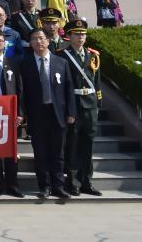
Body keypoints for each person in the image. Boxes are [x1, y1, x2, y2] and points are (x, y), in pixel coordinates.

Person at [20, 28, 76, 198]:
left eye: (41, 38)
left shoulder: (61, 62)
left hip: (57, 113)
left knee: (58, 153)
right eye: (34, 39)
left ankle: (58, 186)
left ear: (48, 41)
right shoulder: (24, 64)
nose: (38, 41)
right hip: (37, 113)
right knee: (40, 152)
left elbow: (69, 88)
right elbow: (22, 92)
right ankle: (44, 186)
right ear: (30, 43)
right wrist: (23, 113)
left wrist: (71, 112)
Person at [60, 19, 103, 196]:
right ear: (69, 36)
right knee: (73, 144)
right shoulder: (63, 55)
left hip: (90, 104)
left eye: (83, 34)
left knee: (88, 144)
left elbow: (97, 81)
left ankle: (87, 181)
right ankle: (73, 182)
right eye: (77, 34)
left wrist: (98, 102)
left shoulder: (93, 55)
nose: (81, 37)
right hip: (74, 103)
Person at [0, 29, 24, 198]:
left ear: (5, 44)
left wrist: (20, 112)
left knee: (11, 150)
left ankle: (13, 185)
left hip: (10, 112)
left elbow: (20, 89)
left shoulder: (13, 63)